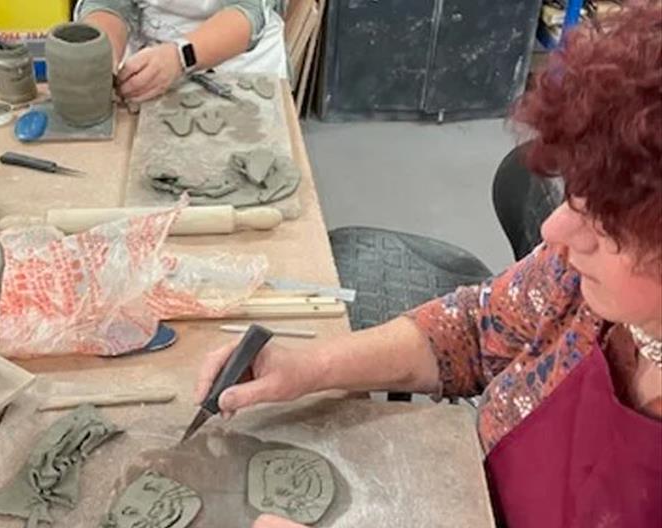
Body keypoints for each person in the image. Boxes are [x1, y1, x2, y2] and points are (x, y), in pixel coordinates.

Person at [194, 2, 662, 527]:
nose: (554, 230)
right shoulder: (579, 282)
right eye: (574, 194)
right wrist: (310, 367)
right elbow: (475, 329)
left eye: (606, 222)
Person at [75, 0, 288, 102]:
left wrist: (180, 56)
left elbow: (250, 12)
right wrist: (102, 52)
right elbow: (107, 4)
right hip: (148, 56)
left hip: (239, 56)